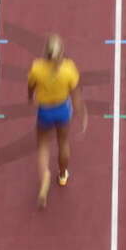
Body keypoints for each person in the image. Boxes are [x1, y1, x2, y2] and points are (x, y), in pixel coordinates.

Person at [28, 34, 88, 208]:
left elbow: (31, 87)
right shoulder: (69, 69)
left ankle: (44, 179)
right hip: (62, 111)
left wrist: (30, 97)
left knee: (43, 146)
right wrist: (82, 115)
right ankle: (62, 175)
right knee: (63, 143)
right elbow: (76, 96)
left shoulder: (36, 68)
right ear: (62, 52)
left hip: (44, 111)